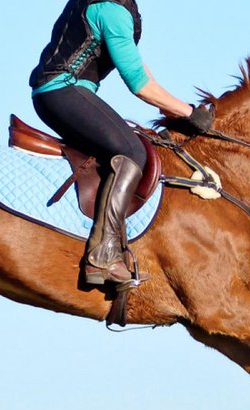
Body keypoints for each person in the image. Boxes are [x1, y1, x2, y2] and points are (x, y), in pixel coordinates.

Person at [30, 0, 213, 292]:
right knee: (132, 151)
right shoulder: (112, 10)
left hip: (62, 91)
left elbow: (139, 66)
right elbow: (138, 83)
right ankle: (103, 255)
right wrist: (189, 112)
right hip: (63, 90)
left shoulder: (115, 7)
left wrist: (176, 108)